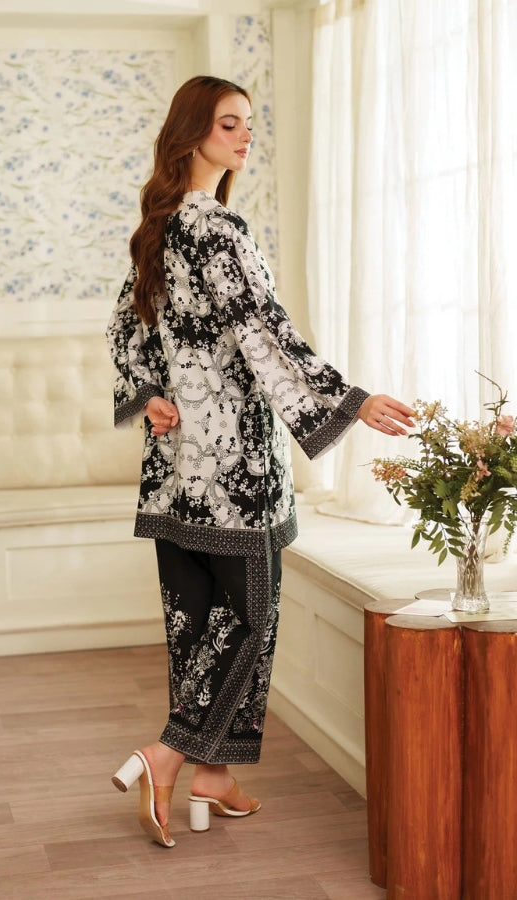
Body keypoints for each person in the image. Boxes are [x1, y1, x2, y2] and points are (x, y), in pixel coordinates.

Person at [106, 75, 414, 849]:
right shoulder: (215, 228)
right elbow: (263, 332)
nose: (246, 136)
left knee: (195, 623)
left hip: (174, 469)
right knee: (250, 616)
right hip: (235, 471)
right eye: (229, 124)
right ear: (192, 135)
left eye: (250, 123)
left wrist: (147, 398)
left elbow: (123, 333)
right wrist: (353, 400)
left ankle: (213, 781)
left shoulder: (158, 228)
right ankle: (169, 755)